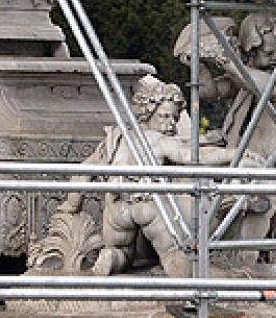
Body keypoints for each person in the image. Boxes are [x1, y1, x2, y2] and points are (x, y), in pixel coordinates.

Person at [57, 76, 264, 276]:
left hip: (116, 207)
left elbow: (84, 171)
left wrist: (71, 205)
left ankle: (111, 257)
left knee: (123, 252)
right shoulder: (159, 141)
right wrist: (235, 153)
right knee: (173, 253)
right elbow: (193, 156)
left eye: (175, 118)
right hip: (147, 205)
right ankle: (189, 287)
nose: (171, 124)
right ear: (148, 113)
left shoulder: (116, 138)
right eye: (164, 116)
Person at [186, 13, 276, 261]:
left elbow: (264, 88)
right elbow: (209, 91)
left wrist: (225, 60)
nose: (275, 57)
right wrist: (197, 64)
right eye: (268, 52)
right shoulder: (246, 74)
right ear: (251, 50)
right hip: (256, 162)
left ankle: (266, 259)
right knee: (254, 210)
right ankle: (243, 261)